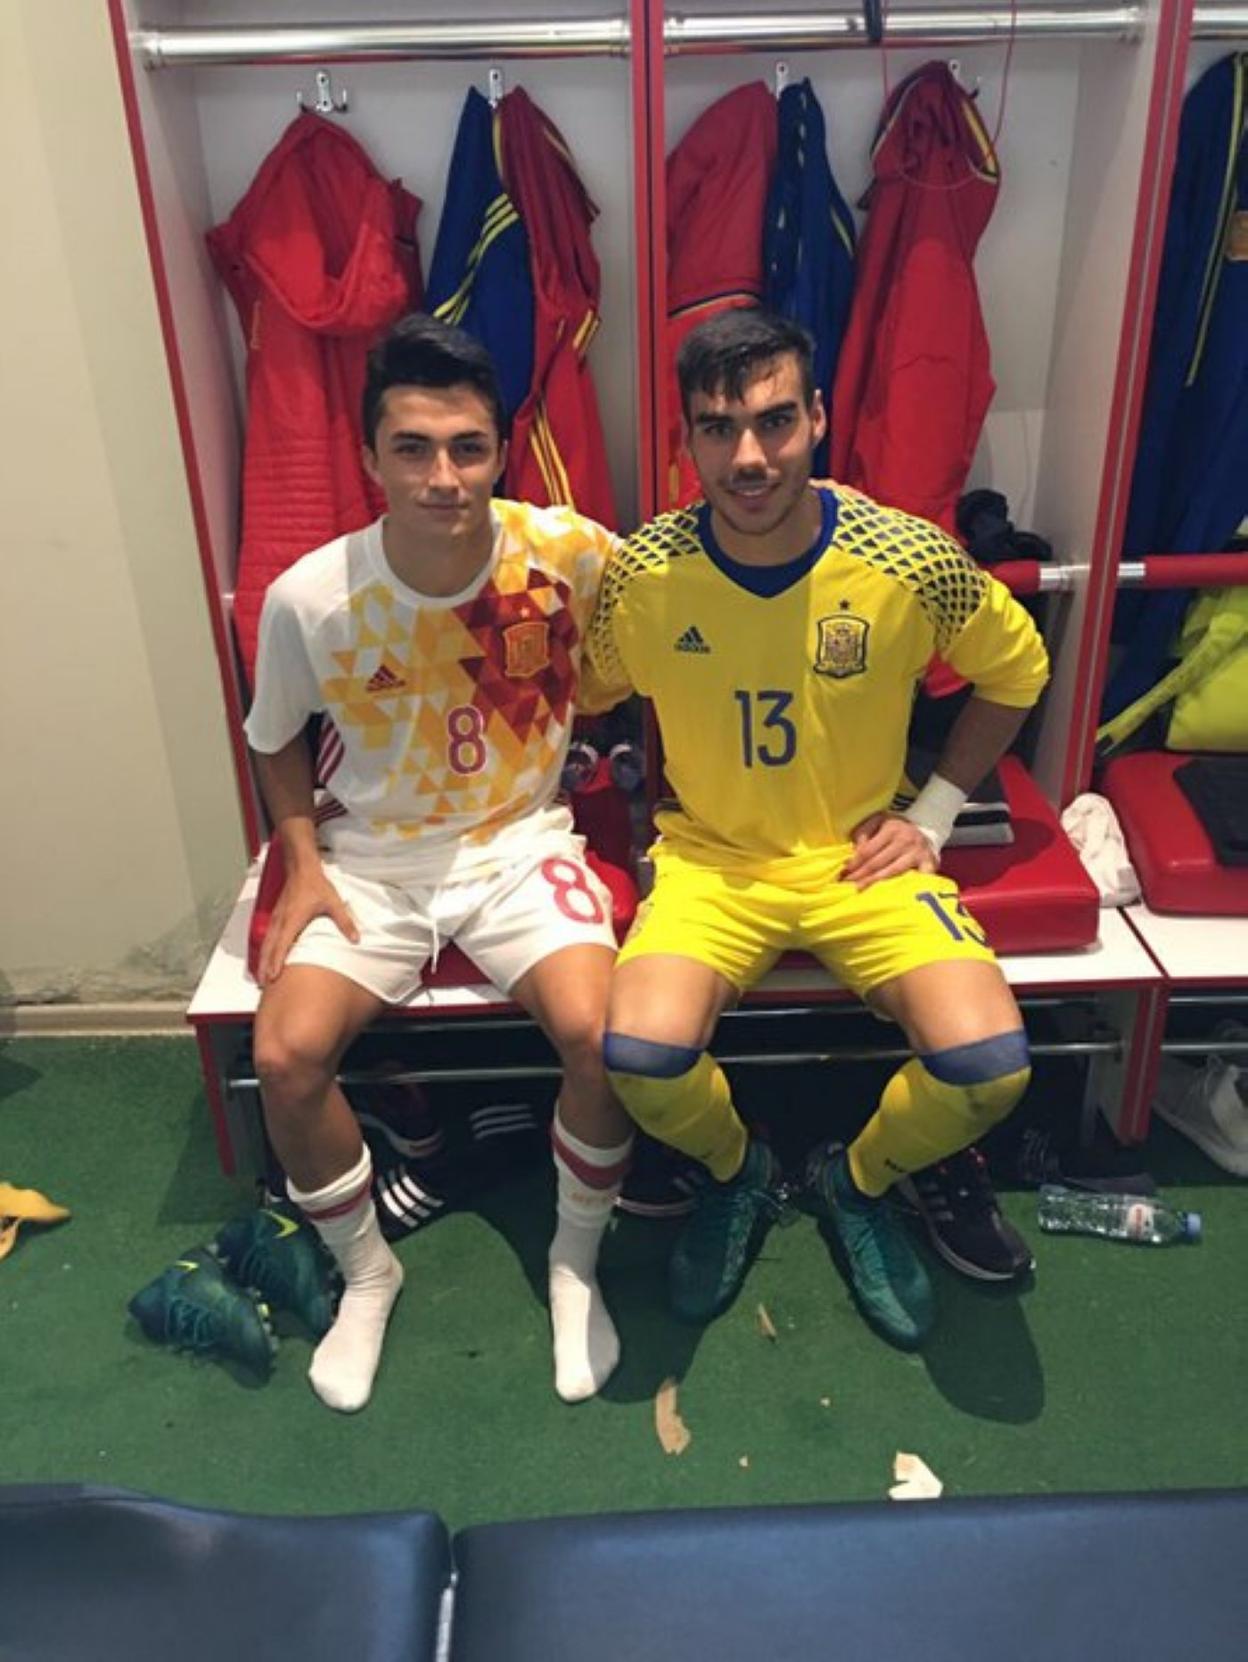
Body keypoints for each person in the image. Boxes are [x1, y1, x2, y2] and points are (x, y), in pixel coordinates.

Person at [588, 307, 1050, 1348]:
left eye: (775, 420)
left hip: (859, 862)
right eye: (718, 428)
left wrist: (934, 812)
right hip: (713, 863)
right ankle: (738, 1173)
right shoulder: (645, 572)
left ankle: (857, 1183)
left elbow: (1017, 671)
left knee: (991, 1066)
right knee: (640, 1057)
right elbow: (588, 687)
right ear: (687, 438)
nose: (749, 456)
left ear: (820, 418)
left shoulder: (907, 557)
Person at [245, 314, 633, 1411]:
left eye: (467, 447)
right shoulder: (310, 596)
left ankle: (574, 1260)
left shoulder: (571, 553)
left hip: (518, 842)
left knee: (604, 1039)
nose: (442, 477)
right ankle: (369, 1272)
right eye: (411, 448)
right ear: (368, 455)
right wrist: (303, 861)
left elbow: (669, 632)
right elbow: (272, 737)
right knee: (284, 1056)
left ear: (502, 450)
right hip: (373, 859)